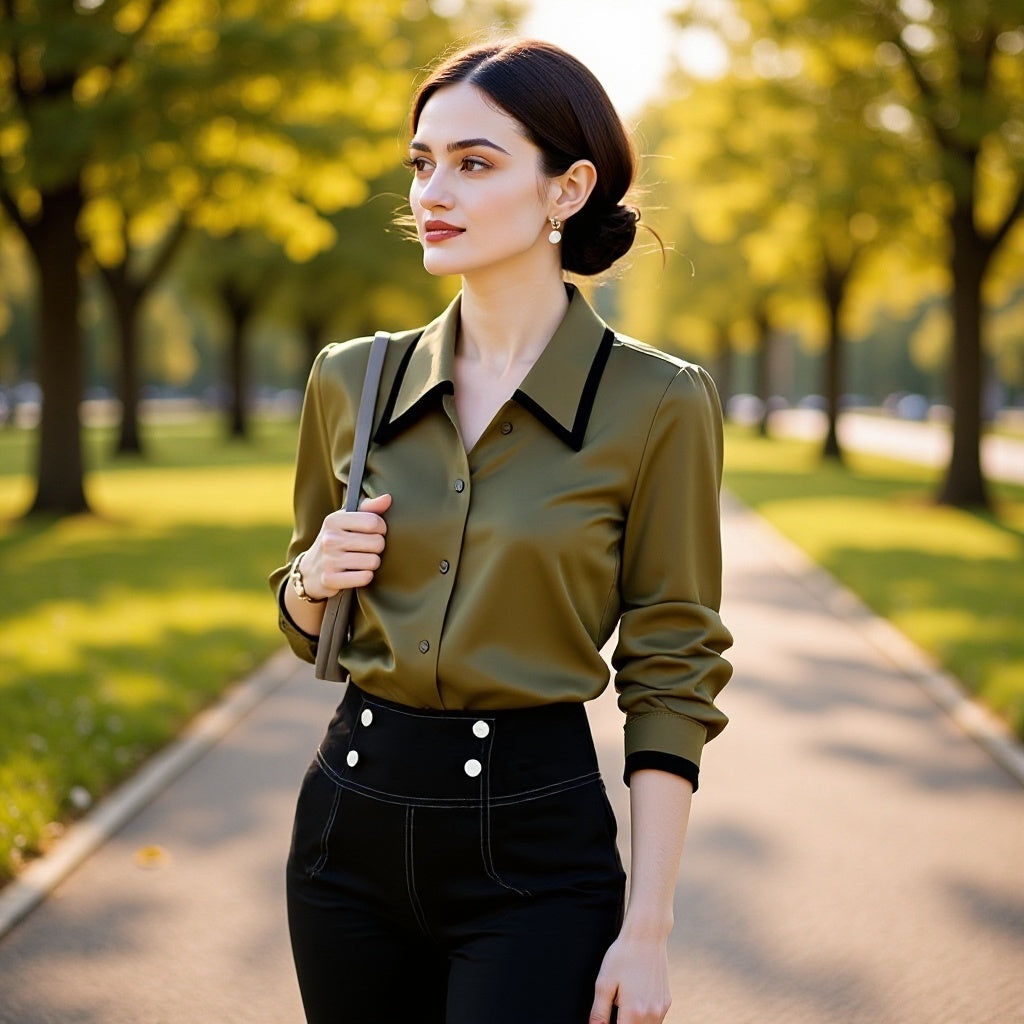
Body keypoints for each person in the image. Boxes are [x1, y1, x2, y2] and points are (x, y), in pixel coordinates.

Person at [270, 38, 732, 1024]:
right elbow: (306, 622)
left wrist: (645, 927)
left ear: (566, 189)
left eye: (473, 164)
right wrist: (309, 580)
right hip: (344, 833)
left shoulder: (658, 401)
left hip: (536, 851)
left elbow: (673, 664)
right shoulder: (351, 377)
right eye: (422, 162)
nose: (434, 190)